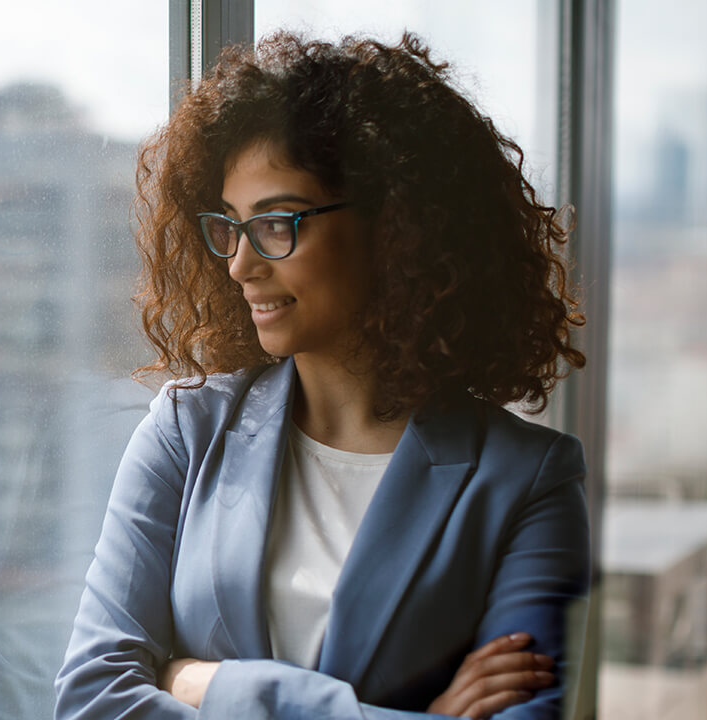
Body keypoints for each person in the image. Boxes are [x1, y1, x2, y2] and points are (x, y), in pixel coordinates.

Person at [54, 31, 590, 720]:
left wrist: (206, 684)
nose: (241, 265)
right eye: (230, 226)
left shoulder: (528, 480)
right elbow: (92, 698)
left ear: (395, 227)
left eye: (277, 223)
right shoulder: (187, 432)